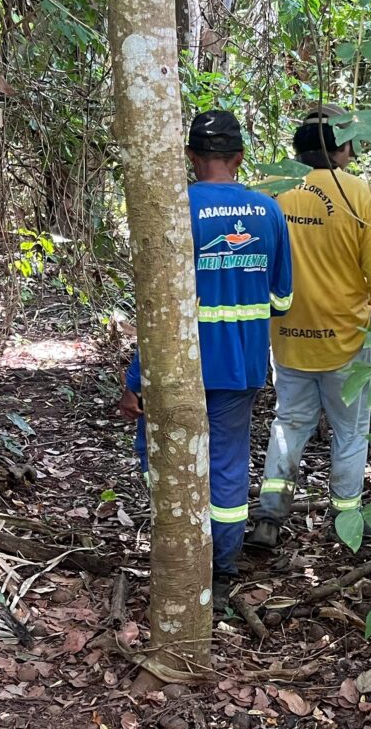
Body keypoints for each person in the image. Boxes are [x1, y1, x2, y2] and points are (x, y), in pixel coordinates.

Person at [120, 109, 292, 600]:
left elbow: (156, 308)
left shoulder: (176, 211)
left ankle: (180, 554)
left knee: (164, 452)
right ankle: (224, 564)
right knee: (230, 462)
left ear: (191, 157)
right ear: (238, 157)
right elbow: (282, 300)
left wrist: (136, 379)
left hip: (181, 364)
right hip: (243, 365)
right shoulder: (270, 212)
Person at [247, 106, 371, 549]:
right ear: (344, 148)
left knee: (288, 423)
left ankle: (270, 517)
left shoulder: (272, 191)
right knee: (351, 431)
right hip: (346, 340)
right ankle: (346, 523)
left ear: (297, 148)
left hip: (287, 336)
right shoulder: (360, 195)